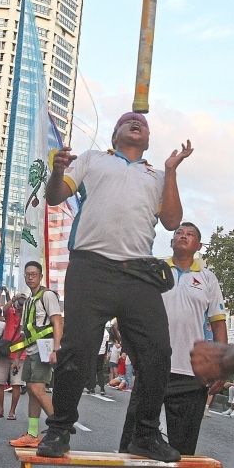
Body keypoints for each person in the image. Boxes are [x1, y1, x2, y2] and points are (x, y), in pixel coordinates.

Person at [38, 112, 193, 462]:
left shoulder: (155, 175)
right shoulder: (93, 160)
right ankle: (59, 428)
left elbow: (170, 221)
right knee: (78, 350)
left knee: (158, 354)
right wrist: (58, 169)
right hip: (91, 267)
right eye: (128, 120)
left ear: (149, 139)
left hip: (138, 274)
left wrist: (171, 170)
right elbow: (54, 196)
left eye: (143, 123)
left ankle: (146, 434)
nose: (136, 123)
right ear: (115, 134)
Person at [120, 222, 227, 455]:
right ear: (171, 242)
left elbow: (219, 323)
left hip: (192, 373)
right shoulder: (154, 270)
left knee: (183, 448)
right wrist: (135, 353)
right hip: (152, 367)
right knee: (133, 444)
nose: (183, 236)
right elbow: (129, 313)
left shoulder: (208, 279)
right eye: (179, 232)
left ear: (198, 245)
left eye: (190, 234)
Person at [9, 261, 62, 449]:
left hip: (45, 349)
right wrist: (17, 357)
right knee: (32, 391)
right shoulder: (30, 300)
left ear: (40, 276)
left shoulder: (47, 296)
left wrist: (56, 349)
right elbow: (26, 333)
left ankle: (59, 430)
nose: (30, 277)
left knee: (37, 388)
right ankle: (33, 434)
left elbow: (57, 322)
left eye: (34, 274)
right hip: (31, 351)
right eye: (27, 274)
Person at [0, 289, 26, 419]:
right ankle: (0, 410)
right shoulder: (10, 312)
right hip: (4, 353)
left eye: (23, 301)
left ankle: (12, 412)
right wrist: (13, 299)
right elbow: (2, 311)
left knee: (16, 384)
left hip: (20, 354)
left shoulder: (28, 315)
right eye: (20, 301)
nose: (21, 304)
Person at [87, 326, 109, 395]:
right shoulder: (106, 333)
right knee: (100, 370)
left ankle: (92, 388)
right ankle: (102, 388)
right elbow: (106, 344)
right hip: (102, 353)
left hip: (94, 352)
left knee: (92, 370)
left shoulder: (95, 331)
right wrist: (105, 354)